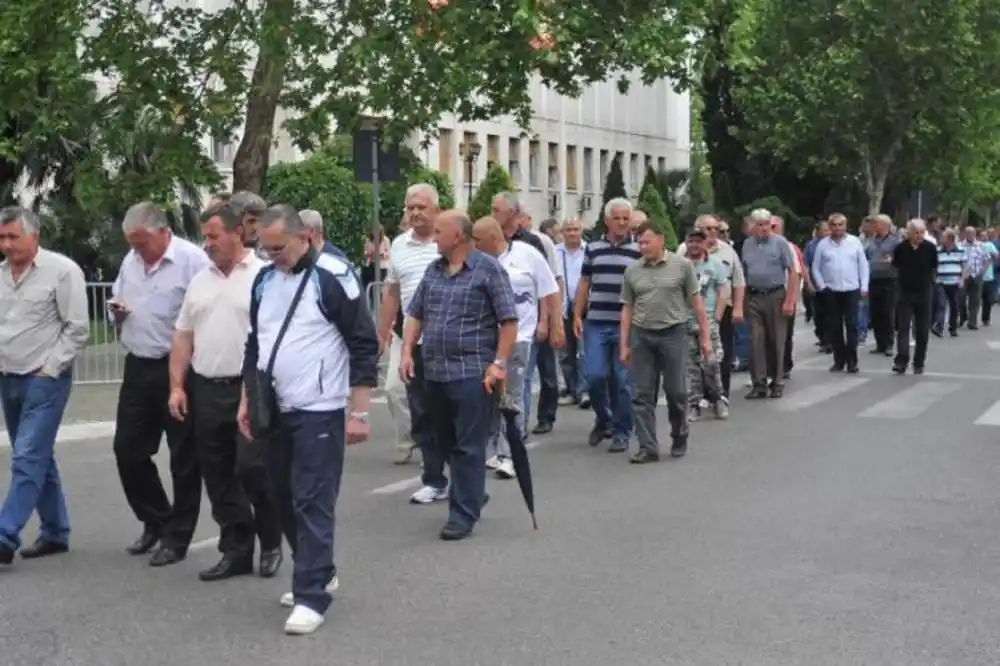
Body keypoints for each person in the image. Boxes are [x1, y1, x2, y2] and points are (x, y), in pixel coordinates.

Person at [239, 204, 378, 635]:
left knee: (311, 498)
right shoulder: (263, 279)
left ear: (305, 237)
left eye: (279, 248)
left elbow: (363, 343)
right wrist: (247, 398)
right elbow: (255, 343)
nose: (272, 255)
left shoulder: (333, 276)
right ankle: (317, 571)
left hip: (319, 407)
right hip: (276, 407)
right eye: (265, 248)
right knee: (280, 495)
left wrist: (359, 411)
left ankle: (312, 594)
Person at [167, 203, 282, 582]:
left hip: (252, 387)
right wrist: (177, 386)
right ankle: (235, 549)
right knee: (216, 472)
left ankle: (271, 541)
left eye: (215, 235)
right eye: (206, 236)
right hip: (208, 388)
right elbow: (183, 335)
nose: (208, 243)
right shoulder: (200, 279)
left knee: (252, 467)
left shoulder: (265, 276)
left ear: (237, 233)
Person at [400, 209, 518, 541]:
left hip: (471, 372)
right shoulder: (433, 270)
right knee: (444, 441)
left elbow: (508, 320)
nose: (434, 237)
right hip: (434, 371)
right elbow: (415, 314)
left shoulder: (488, 269)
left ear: (458, 237)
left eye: (439, 231)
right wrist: (407, 351)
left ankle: (462, 514)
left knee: (468, 444)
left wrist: (499, 363)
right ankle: (472, 489)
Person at [109, 202, 210, 566]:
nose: (137, 250)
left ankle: (178, 537)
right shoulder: (130, 262)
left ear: (163, 231)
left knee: (184, 457)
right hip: (138, 365)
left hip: (179, 369)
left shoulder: (192, 260)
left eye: (142, 242)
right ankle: (156, 518)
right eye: (132, 244)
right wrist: (116, 311)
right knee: (128, 450)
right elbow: (119, 298)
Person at [0, 207, 88, 565]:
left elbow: (78, 328)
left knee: (26, 457)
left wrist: (50, 370)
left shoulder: (62, 271)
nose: (6, 245)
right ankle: (55, 532)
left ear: (33, 235)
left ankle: (4, 534)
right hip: (8, 378)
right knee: (38, 458)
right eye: (2, 237)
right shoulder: (2, 275)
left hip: (44, 381)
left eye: (13, 237)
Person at [473, 216, 558, 479]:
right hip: (484, 339)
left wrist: (553, 324)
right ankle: (493, 449)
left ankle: (509, 454)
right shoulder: (477, 262)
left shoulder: (528, 255)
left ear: (492, 237)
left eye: (477, 239)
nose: (473, 244)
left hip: (519, 336)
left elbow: (549, 290)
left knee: (512, 395)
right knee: (489, 396)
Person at [620, 222, 710, 463]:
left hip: (673, 333)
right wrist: (624, 344)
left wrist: (705, 336)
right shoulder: (632, 271)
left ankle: (679, 435)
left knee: (676, 391)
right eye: (639, 242)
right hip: (642, 335)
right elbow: (627, 308)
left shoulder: (682, 266)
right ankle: (648, 446)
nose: (643, 246)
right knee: (642, 393)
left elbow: (697, 303)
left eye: (647, 241)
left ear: (661, 240)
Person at [377, 184, 444, 482]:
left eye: (421, 207)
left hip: (443, 338)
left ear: (436, 211)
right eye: (410, 207)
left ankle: (436, 453)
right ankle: (413, 440)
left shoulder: (446, 242)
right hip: (407, 335)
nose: (414, 213)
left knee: (437, 402)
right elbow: (391, 292)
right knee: (394, 388)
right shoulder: (400, 245)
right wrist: (381, 333)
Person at [573, 198, 641, 450]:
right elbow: (584, 282)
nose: (622, 223)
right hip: (597, 322)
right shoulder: (593, 248)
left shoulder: (638, 250)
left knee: (622, 380)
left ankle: (623, 431)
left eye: (626, 218)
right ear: (607, 220)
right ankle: (605, 420)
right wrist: (577, 314)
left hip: (626, 324)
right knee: (594, 376)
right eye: (617, 218)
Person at [740, 208, 798, 399]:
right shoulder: (747, 245)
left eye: (767, 224)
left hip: (776, 295)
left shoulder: (780, 243)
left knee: (776, 340)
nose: (764, 228)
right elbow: (743, 274)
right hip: (754, 296)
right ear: (752, 226)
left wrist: (790, 300)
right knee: (756, 341)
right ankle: (759, 383)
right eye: (759, 225)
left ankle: (777, 381)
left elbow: (792, 272)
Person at [811, 213, 869, 374]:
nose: (837, 228)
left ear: (845, 226)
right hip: (831, 291)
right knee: (835, 327)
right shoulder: (823, 245)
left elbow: (863, 265)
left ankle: (852, 361)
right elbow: (816, 267)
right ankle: (839, 360)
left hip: (852, 290)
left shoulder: (854, 242)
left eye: (840, 225)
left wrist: (864, 285)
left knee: (852, 326)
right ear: (829, 227)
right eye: (834, 225)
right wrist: (822, 287)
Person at [682, 230, 730, 420]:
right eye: (690, 241)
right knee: (691, 368)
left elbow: (723, 291)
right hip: (685, 321)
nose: (694, 245)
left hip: (708, 320)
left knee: (711, 363)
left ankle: (718, 399)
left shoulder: (714, 265)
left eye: (698, 241)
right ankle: (694, 404)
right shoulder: (680, 265)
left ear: (705, 244)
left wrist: (717, 316)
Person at [891, 219, 938, 375]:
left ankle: (919, 362)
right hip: (905, 292)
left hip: (924, 292)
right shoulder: (901, 248)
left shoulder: (930, 248)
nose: (919, 236)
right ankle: (901, 361)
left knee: (922, 330)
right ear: (909, 233)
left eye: (922, 232)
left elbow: (934, 267)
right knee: (903, 328)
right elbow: (895, 265)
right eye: (916, 232)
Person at [555, 219, 589, 408]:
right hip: (562, 306)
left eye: (576, 229)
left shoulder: (588, 250)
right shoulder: (555, 252)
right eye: (568, 230)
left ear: (581, 231)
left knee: (583, 352)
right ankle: (572, 389)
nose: (572, 233)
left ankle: (584, 391)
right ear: (562, 232)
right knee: (565, 353)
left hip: (584, 307)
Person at [865, 214, 901, 356]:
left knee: (888, 312)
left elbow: (899, 259)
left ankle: (889, 344)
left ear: (885, 225)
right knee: (875, 312)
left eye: (876, 224)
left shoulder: (894, 242)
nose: (874, 226)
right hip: (874, 279)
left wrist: (892, 260)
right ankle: (879, 343)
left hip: (889, 280)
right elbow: (866, 256)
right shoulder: (871, 241)